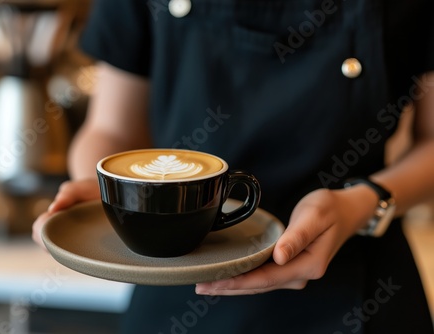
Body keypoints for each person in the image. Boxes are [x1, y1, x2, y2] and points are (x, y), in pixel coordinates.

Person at [33, 0, 434, 333]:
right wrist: (104, 189)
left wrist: (362, 204)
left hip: (355, 287)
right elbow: (110, 129)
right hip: (174, 281)